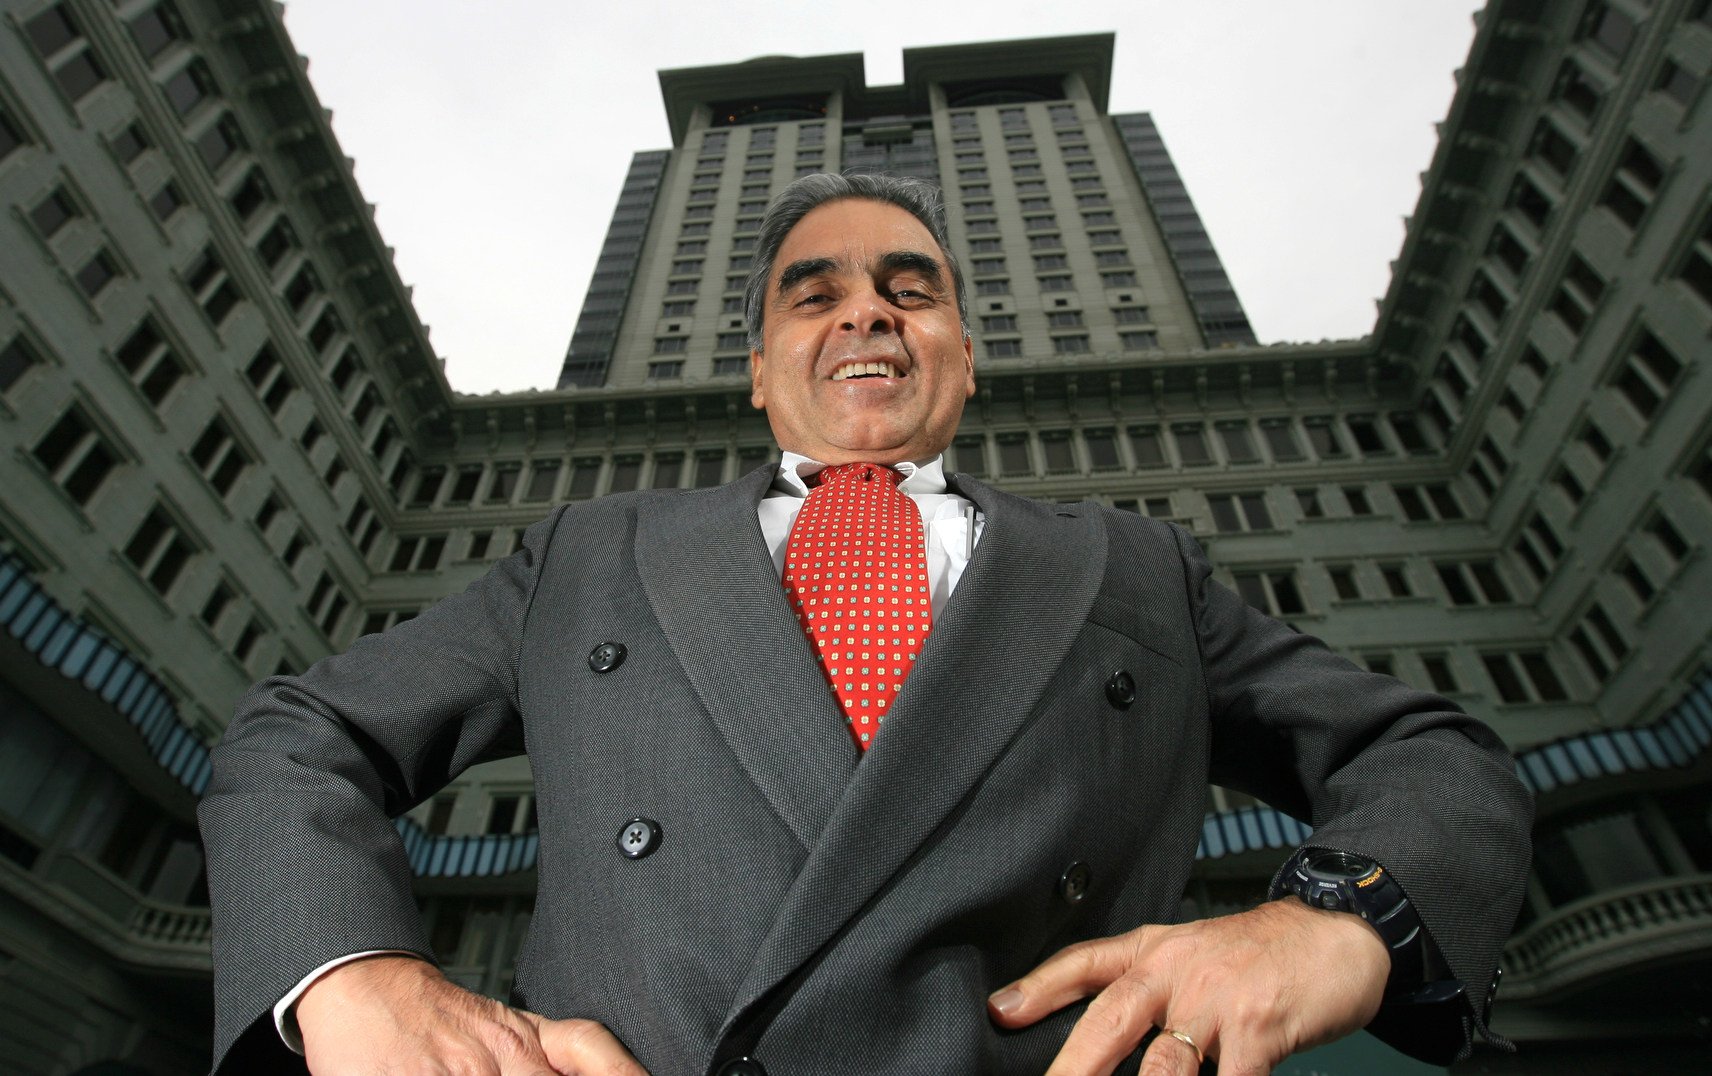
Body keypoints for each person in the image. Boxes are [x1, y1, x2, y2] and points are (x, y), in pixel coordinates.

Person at [199, 172, 1532, 1075]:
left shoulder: (1139, 568)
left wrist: (1325, 923)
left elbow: (1433, 753)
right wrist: (351, 973)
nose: (867, 310)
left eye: (912, 285)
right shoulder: (589, 555)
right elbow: (301, 735)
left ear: (961, 348)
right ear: (762, 374)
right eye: (813, 290)